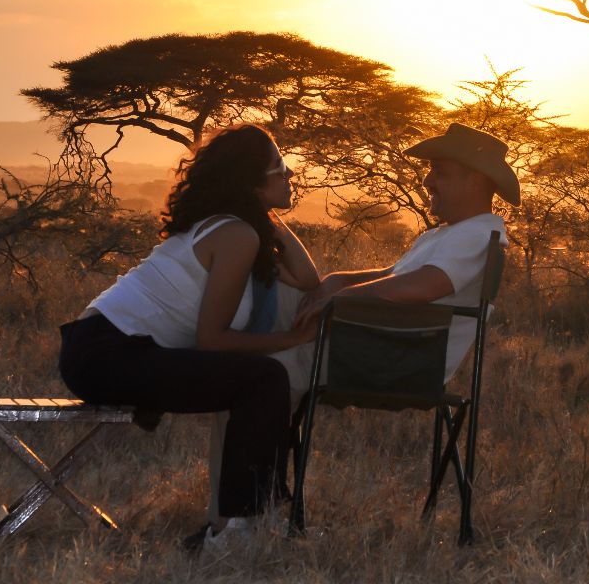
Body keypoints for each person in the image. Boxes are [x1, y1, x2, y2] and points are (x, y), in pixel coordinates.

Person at [58, 124, 321, 544]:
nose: (289, 175)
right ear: (250, 181)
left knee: (262, 377)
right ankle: (236, 530)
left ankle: (240, 522)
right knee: (266, 377)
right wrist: (289, 341)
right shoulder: (236, 234)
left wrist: (268, 216)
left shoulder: (236, 228)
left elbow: (308, 279)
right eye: (279, 168)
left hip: (101, 348)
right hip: (107, 352)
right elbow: (213, 340)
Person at [296, 123, 519, 376]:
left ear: (475, 181)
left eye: (439, 171)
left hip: (390, 355)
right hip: (380, 345)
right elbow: (392, 276)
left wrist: (339, 299)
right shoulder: (450, 233)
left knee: (267, 365)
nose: (427, 180)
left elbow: (421, 287)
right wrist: (338, 281)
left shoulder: (475, 235)